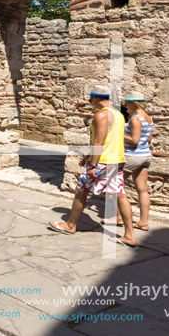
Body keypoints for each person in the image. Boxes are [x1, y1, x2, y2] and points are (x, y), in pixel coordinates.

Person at [48, 85, 137, 247]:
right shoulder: (119, 115)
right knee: (120, 195)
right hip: (116, 160)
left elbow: (99, 141)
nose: (90, 102)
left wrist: (92, 165)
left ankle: (70, 225)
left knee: (80, 191)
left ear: (95, 98)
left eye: (90, 99)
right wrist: (88, 155)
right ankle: (129, 235)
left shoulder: (101, 115)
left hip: (102, 161)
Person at [106, 90, 153, 231]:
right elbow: (148, 139)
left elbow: (135, 140)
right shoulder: (148, 118)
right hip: (145, 156)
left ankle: (119, 217)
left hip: (132, 157)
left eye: (127, 103)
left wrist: (118, 133)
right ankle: (143, 222)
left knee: (115, 186)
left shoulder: (135, 119)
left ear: (134, 103)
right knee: (142, 190)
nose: (125, 106)